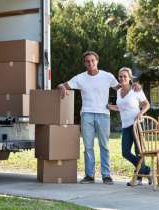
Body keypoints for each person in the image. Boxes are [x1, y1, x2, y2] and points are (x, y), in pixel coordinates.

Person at [58, 51, 121, 185]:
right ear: (84, 63)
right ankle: (89, 175)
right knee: (88, 146)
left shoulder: (107, 76)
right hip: (86, 114)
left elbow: (122, 89)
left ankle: (106, 175)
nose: (91, 63)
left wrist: (134, 86)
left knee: (104, 145)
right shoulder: (80, 78)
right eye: (88, 61)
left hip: (104, 114)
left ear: (97, 61)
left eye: (93, 60)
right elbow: (63, 85)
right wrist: (61, 87)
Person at [108, 67, 152, 186]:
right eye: (120, 76)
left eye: (125, 76)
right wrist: (110, 107)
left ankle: (138, 178)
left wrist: (141, 113)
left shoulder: (135, 90)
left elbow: (146, 104)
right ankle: (146, 171)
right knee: (125, 152)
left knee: (139, 152)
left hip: (137, 124)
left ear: (130, 78)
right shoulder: (118, 92)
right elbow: (121, 107)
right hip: (125, 126)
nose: (122, 78)